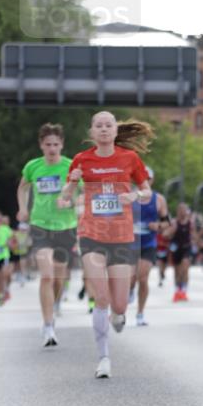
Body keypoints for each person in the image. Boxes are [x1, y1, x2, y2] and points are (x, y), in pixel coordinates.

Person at [58, 112, 152, 379]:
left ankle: (119, 316)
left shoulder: (129, 158)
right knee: (101, 297)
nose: (103, 129)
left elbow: (146, 193)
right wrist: (72, 182)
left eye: (108, 125)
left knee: (119, 305)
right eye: (98, 126)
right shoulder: (81, 159)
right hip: (91, 234)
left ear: (114, 130)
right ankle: (103, 358)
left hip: (121, 237)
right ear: (92, 131)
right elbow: (65, 198)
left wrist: (134, 194)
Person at [17, 123, 78, 345]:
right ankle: (48, 325)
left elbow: (82, 195)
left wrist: (69, 200)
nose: (52, 148)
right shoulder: (33, 166)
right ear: (41, 145)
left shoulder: (71, 166)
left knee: (59, 277)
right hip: (40, 225)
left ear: (61, 145)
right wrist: (23, 208)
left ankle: (56, 301)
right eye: (48, 144)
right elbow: (22, 188)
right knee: (47, 275)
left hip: (66, 226)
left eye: (56, 144)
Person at [130, 166, 168, 325]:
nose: (143, 181)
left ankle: (140, 313)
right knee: (131, 278)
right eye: (140, 178)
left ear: (151, 180)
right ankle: (129, 290)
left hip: (148, 243)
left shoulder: (158, 199)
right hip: (129, 243)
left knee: (143, 277)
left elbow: (166, 222)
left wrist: (158, 226)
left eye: (147, 178)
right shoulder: (129, 197)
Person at [164, 202, 193, 301]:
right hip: (176, 248)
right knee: (177, 272)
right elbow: (165, 234)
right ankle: (177, 291)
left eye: (184, 210)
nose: (182, 212)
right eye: (180, 210)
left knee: (185, 269)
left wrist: (199, 243)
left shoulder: (190, 222)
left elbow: (194, 235)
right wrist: (171, 231)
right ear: (177, 211)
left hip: (186, 248)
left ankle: (184, 291)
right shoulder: (174, 222)